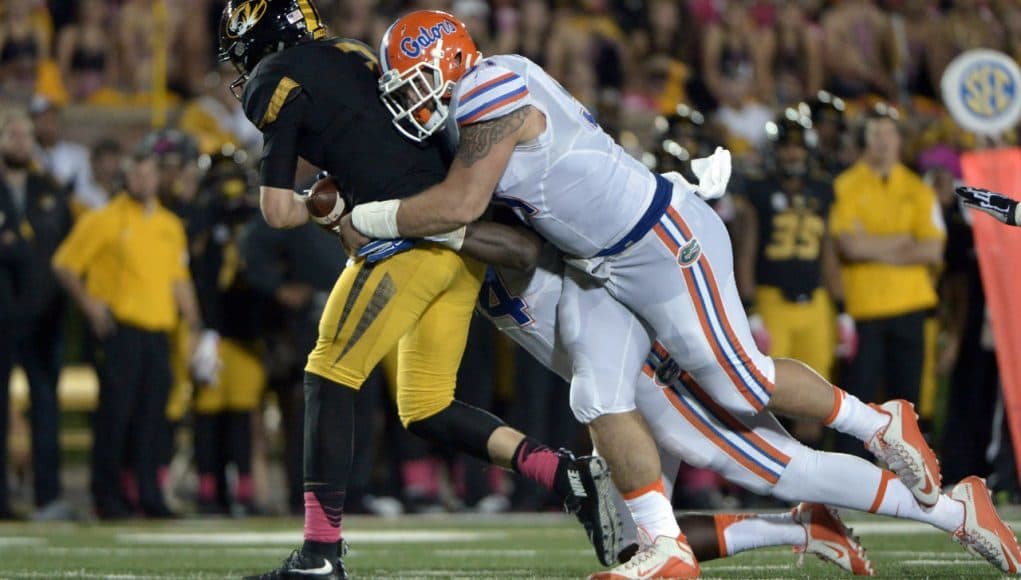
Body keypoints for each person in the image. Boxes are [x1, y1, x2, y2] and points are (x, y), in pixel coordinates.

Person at [357, 11, 943, 577]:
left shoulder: (487, 91)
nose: (413, 103)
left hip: (648, 262)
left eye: (418, 86)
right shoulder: (467, 129)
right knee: (624, 510)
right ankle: (781, 531)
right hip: (610, 271)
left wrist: (369, 214)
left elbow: (466, 210)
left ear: (452, 62)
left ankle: (917, 472)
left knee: (753, 409)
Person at [216, 2, 619, 578]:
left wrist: (322, 208)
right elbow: (375, 140)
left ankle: (320, 554)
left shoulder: (274, 81)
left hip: (407, 239)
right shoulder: (352, 53)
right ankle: (566, 475)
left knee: (329, 370)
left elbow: (278, 211)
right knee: (425, 403)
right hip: (458, 242)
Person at [476, 223, 1020, 576]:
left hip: (649, 369)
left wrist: (423, 224)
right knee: (629, 547)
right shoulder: (454, 226)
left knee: (788, 469)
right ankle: (802, 527)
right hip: (615, 392)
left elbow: (541, 237)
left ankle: (955, 511)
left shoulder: (484, 209)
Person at [52, 136, 205, 520]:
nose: (141, 181)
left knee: (154, 418)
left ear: (156, 179)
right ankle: (107, 496)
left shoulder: (169, 225)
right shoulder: (103, 219)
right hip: (120, 330)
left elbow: (179, 278)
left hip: (159, 331)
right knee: (116, 416)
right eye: (135, 175)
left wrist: (196, 325)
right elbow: (64, 264)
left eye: (147, 174)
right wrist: (90, 306)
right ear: (126, 179)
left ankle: (149, 495)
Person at [830, 109, 945, 455]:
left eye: (889, 133)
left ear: (899, 139)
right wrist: (904, 242)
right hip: (863, 305)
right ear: (864, 139)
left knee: (907, 398)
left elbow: (933, 249)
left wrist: (872, 246)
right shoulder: (844, 185)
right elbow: (848, 245)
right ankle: (851, 476)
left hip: (910, 304)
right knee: (858, 398)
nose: (882, 141)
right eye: (875, 132)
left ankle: (909, 473)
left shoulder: (917, 188)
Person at [733, 113, 853, 446]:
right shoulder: (757, 190)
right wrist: (751, 310)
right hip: (772, 301)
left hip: (815, 302)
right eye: (786, 147)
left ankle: (807, 485)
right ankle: (758, 480)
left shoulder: (822, 189)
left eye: (798, 148)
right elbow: (745, 252)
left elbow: (827, 251)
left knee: (815, 399)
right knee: (761, 395)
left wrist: (842, 308)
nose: (792, 155)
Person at [0, 109, 73, 520]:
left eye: (25, 134)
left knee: (47, 406)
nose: (20, 140)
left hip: (45, 316)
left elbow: (67, 250)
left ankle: (49, 496)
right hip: (2, 316)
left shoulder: (49, 189)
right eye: (11, 132)